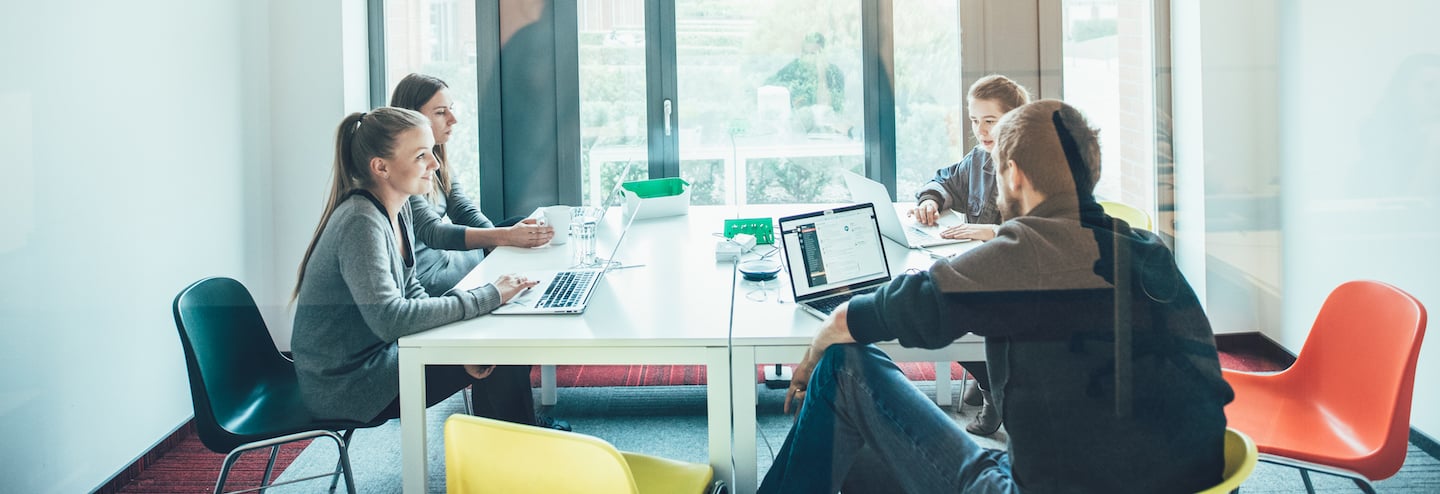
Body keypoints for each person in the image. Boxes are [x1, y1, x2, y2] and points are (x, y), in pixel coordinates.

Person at [759, 99, 1233, 493]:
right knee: (871, 465)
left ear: (1015, 175)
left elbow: (862, 317)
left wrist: (816, 350)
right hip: (1191, 480)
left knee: (846, 370)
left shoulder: (1026, 252)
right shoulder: (1147, 250)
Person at [290, 107, 565, 431]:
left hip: (380, 361)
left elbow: (413, 294)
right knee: (500, 349)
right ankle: (515, 463)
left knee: (493, 339)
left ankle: (508, 456)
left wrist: (455, 344)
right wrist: (488, 296)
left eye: (432, 152)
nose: (435, 164)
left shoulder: (397, 208)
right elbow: (391, 320)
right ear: (381, 167)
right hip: (349, 386)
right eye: (421, 155)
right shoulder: (360, 222)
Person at [909, 74, 1031, 435]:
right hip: (984, 270)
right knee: (934, 295)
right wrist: (931, 199)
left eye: (989, 121)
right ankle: (988, 378)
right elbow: (946, 180)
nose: (980, 130)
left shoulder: (1032, 167)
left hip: (1021, 279)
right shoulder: (979, 159)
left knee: (946, 309)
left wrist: (993, 231)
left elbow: (1045, 231)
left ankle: (994, 391)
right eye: (974, 121)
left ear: (1014, 118)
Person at [390, 73, 554, 298]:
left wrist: (497, 240)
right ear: (413, 117)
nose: (453, 119)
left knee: (517, 227)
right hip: (436, 277)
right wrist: (503, 237)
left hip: (453, 260)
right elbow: (432, 232)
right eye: (440, 112)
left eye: (451, 108)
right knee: (512, 236)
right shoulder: (404, 171)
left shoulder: (438, 158)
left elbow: (463, 210)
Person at [766, 32, 847, 135]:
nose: (808, 58)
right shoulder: (793, 69)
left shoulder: (834, 74)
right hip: (795, 130)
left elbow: (832, 110)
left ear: (822, 54)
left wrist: (821, 74)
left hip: (827, 133)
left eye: (813, 54)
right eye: (805, 53)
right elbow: (770, 87)